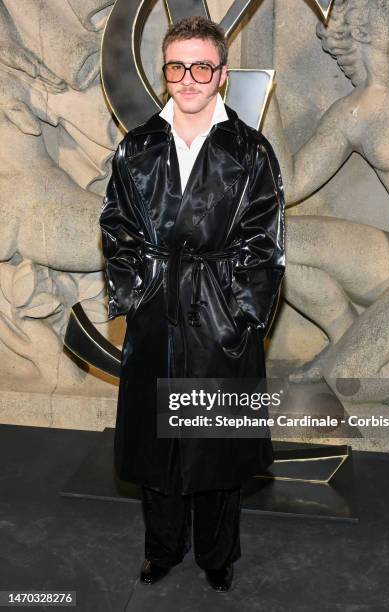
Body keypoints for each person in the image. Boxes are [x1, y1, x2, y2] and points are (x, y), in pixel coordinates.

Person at [99, 16, 285, 592]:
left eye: (201, 66)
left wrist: (241, 315)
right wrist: (141, 293)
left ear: (222, 74)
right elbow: (118, 227)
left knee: (215, 450)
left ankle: (217, 554)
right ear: (165, 71)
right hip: (157, 314)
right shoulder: (138, 147)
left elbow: (265, 242)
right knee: (159, 447)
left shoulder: (250, 150)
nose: (188, 79)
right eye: (177, 66)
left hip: (220, 318)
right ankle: (161, 548)